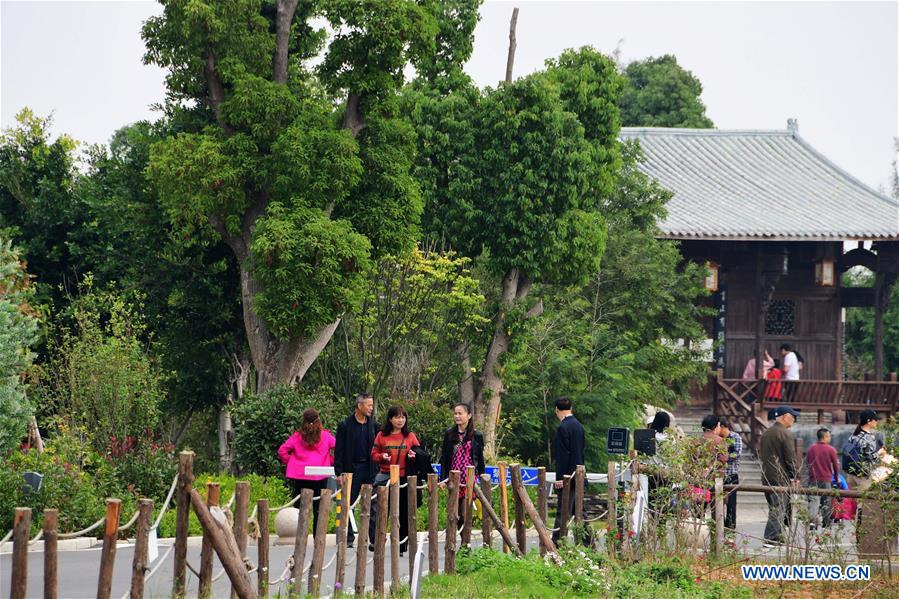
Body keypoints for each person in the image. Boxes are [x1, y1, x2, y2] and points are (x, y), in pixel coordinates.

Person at [369, 405, 420, 555]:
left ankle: (401, 545)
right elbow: (374, 454)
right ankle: (377, 540)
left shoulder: (410, 436)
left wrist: (413, 456)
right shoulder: (381, 435)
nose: (400, 420)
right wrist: (381, 457)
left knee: (403, 511)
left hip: (404, 477)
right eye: (397, 417)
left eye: (403, 417)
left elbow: (419, 453)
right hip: (385, 474)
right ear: (390, 419)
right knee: (379, 510)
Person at [278, 408, 336, 537]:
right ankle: (318, 538)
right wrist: (330, 461)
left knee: (299, 509)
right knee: (319, 509)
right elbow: (339, 448)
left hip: (301, 475)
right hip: (320, 475)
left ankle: (300, 537)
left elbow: (282, 451)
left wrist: (292, 462)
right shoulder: (326, 436)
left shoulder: (297, 436)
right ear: (319, 421)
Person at [334, 393, 379, 547]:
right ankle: (347, 538)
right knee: (348, 503)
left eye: (372, 405)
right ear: (359, 406)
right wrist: (339, 472)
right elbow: (339, 450)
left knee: (372, 504)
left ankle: (373, 539)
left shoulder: (373, 426)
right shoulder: (345, 425)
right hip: (351, 468)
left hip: (370, 468)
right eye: (369, 405)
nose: (371, 409)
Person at [439, 403, 487, 535]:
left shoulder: (477, 435)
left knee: (465, 511)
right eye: (455, 413)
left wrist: (482, 474)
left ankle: (466, 544)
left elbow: (480, 458)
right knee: (455, 513)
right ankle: (460, 539)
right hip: (454, 476)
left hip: (469, 477)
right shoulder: (449, 433)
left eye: (460, 413)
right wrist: (443, 479)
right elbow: (444, 458)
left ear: (469, 415)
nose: (457, 416)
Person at [758, 405, 800, 547]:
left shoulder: (766, 433)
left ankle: (777, 536)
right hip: (779, 476)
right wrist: (795, 475)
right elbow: (790, 458)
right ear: (783, 416)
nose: (794, 419)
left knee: (775, 507)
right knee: (778, 508)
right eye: (792, 416)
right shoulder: (785, 433)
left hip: (767, 475)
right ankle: (770, 538)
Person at [551, 397, 586, 544]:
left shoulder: (563, 428)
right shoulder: (579, 426)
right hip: (579, 473)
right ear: (571, 408)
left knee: (563, 511)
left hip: (567, 476)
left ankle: (556, 543)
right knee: (579, 511)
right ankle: (588, 542)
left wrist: (560, 478)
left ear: (557, 410)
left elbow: (563, 456)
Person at [841, 409, 885, 491]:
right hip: (863, 476)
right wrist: (879, 452)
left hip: (851, 474)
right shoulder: (869, 437)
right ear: (869, 421)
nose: (876, 421)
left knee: (852, 501)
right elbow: (868, 458)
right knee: (862, 502)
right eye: (875, 419)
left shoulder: (853, 435)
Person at [807, 428, 839, 528]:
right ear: (825, 437)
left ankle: (812, 521)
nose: (830, 438)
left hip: (813, 479)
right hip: (826, 479)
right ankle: (826, 522)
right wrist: (836, 478)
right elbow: (835, 466)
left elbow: (808, 463)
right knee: (827, 501)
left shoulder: (811, 448)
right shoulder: (831, 449)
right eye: (829, 436)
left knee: (814, 500)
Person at [717, 417, 742, 536]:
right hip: (719, 475)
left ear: (722, 427)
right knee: (718, 503)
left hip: (731, 474)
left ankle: (730, 529)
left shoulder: (735, 437)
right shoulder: (718, 439)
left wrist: (723, 457)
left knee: (731, 504)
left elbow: (737, 454)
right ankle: (719, 528)